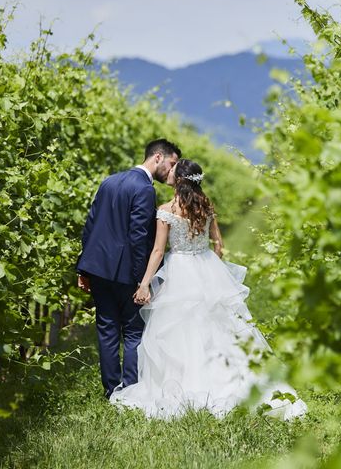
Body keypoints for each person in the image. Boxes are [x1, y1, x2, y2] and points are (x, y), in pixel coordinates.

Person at [110, 158, 307, 420]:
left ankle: (182, 385)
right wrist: (214, 269)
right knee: (219, 328)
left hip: (179, 269)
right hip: (206, 266)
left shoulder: (167, 209)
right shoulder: (206, 206)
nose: (168, 173)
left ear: (178, 181)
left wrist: (145, 283)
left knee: (179, 329)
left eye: (172, 172)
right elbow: (219, 245)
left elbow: (158, 251)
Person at [76, 139, 181, 399]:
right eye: (172, 163)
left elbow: (90, 226)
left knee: (107, 329)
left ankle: (111, 390)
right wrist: (142, 280)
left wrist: (83, 269)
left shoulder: (109, 181)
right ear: (157, 157)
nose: (172, 170)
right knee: (133, 331)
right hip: (126, 274)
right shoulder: (145, 189)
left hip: (99, 270)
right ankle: (131, 390)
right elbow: (138, 237)